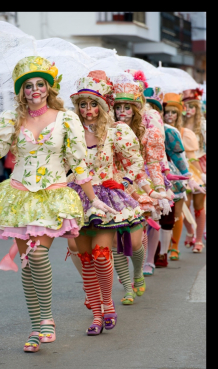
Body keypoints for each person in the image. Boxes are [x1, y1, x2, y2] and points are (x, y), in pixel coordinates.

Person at [0, 56, 114, 353]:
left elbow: (79, 162)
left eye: (40, 84)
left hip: (51, 196)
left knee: (37, 257)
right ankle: (35, 327)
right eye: (28, 86)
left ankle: (47, 320)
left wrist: (95, 197)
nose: (34, 90)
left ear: (49, 88)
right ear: (21, 91)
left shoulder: (67, 119)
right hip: (19, 196)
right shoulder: (12, 119)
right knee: (26, 264)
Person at [66, 70, 145, 332]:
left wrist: (122, 183)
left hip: (106, 200)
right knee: (86, 258)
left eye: (92, 104)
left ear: (102, 105)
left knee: (101, 255)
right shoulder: (69, 133)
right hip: (76, 199)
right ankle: (97, 315)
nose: (88, 110)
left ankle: (108, 304)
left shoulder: (116, 132)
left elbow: (135, 161)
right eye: (82, 104)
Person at [111, 72, 173, 281]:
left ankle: (141, 264)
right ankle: (124, 270)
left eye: (127, 107)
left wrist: (160, 190)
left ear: (136, 109)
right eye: (117, 107)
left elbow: (153, 163)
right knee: (115, 229)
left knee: (139, 229)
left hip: (141, 182)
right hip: (116, 182)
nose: (122, 112)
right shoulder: (107, 130)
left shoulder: (149, 133)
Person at [144, 87, 191, 267]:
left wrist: (186, 174)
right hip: (139, 174)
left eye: (152, 108)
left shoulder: (168, 131)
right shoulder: (131, 129)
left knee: (166, 217)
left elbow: (178, 155)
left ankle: (162, 253)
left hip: (165, 173)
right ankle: (148, 257)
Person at [162, 93, 206, 257]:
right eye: (167, 112)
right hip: (164, 173)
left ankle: (194, 240)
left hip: (187, 171)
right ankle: (187, 233)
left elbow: (192, 158)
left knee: (196, 206)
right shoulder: (157, 129)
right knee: (176, 211)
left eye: (174, 112)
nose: (170, 115)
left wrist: (200, 176)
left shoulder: (186, 133)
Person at [182, 88, 207, 251]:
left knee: (199, 205)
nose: (189, 109)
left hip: (199, 164)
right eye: (186, 106)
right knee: (183, 204)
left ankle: (198, 239)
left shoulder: (203, 125)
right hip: (183, 165)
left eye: (192, 106)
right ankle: (190, 231)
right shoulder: (178, 123)